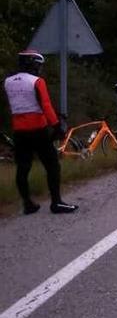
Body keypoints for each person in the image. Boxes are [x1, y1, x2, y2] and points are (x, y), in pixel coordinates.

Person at [3, 50, 78, 214]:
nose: (40, 68)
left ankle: (28, 204)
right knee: (52, 165)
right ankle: (56, 203)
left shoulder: (8, 82)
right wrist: (57, 126)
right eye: (39, 65)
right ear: (33, 64)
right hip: (38, 129)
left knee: (23, 167)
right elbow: (46, 105)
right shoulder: (37, 81)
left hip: (19, 131)